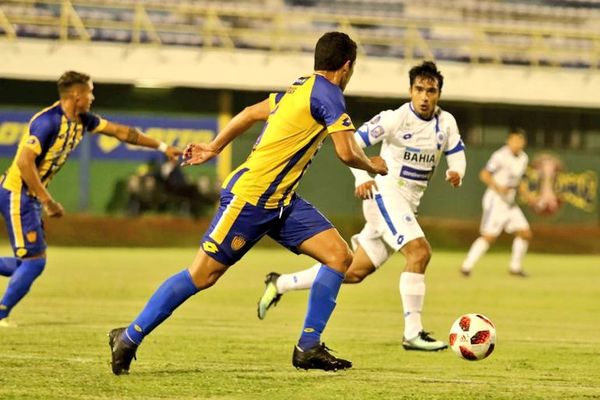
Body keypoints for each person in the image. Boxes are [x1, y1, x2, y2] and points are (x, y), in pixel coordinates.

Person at [108, 32, 388, 375]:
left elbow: (249, 112)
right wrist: (371, 164)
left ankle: (308, 346)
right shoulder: (329, 94)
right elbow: (346, 152)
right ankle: (129, 337)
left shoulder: (299, 88)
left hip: (282, 202)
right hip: (251, 199)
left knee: (339, 256)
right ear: (347, 66)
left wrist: (214, 147)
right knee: (202, 275)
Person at [257, 61, 466, 352]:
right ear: (410, 91)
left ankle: (280, 283)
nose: (425, 96)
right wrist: (361, 176)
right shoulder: (394, 119)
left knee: (353, 271)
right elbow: (353, 140)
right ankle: (413, 333)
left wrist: (457, 171)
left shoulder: (446, 123)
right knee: (419, 251)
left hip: (407, 204)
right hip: (385, 194)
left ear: (439, 94)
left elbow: (457, 153)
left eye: (431, 90)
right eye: (419, 89)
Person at [0, 71, 181, 328]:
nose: (92, 96)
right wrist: (47, 200)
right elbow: (24, 161)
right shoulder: (48, 122)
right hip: (18, 193)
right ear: (76, 95)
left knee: (24, 262)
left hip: (26, 196)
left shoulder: (83, 120)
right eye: (90, 92)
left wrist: (163, 147)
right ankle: (1, 314)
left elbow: (121, 132)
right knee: (33, 263)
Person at [460, 128, 532, 277]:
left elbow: (519, 181)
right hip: (496, 200)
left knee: (525, 233)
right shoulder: (500, 156)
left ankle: (515, 268)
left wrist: (528, 196)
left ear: (523, 142)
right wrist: (499, 188)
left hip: (510, 202)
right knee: (489, 236)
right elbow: (484, 174)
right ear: (508, 141)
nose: (517, 143)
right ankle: (466, 266)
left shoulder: (524, 158)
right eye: (514, 140)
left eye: (520, 140)